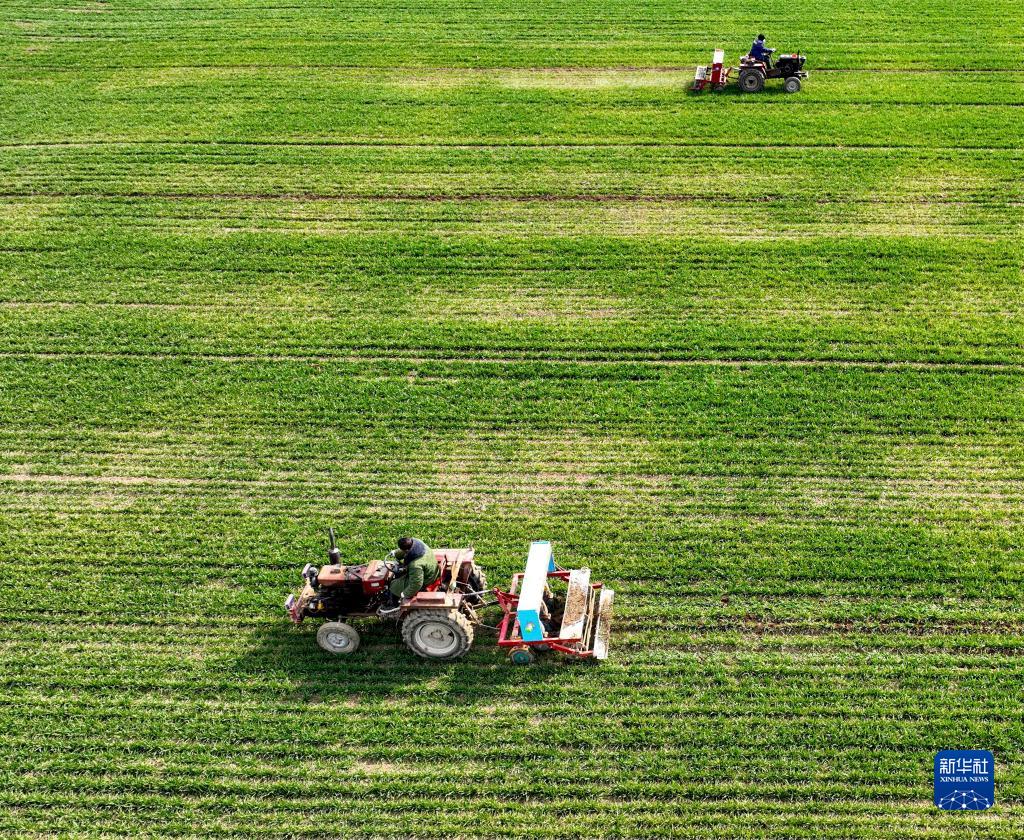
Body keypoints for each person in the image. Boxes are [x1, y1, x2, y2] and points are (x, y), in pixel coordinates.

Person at [387, 536, 439, 601]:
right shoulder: (418, 543)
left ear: (407, 550)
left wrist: (405, 594)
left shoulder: (415, 565)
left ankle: (393, 604)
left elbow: (416, 584)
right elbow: (405, 550)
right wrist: (396, 553)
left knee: (394, 585)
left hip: (428, 580)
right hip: (431, 569)